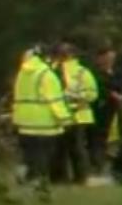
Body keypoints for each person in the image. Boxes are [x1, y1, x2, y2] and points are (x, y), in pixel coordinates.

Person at [11, 45, 71, 184]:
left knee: (28, 154)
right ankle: (37, 180)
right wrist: (66, 120)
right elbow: (55, 101)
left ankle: (23, 175)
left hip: (23, 122)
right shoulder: (46, 75)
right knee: (43, 155)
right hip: (45, 124)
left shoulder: (22, 73)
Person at [53, 41, 96, 185]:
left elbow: (92, 93)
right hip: (59, 115)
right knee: (60, 149)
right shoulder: (52, 70)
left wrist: (79, 98)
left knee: (75, 149)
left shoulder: (81, 71)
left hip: (78, 115)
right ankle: (61, 178)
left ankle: (79, 178)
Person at [87, 44, 122, 183]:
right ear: (100, 58)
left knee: (110, 141)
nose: (110, 61)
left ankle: (107, 167)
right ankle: (96, 167)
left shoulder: (114, 73)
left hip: (113, 113)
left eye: (112, 58)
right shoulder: (94, 73)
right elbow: (97, 88)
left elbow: (120, 86)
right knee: (96, 141)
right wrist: (110, 94)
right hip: (98, 112)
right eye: (107, 58)